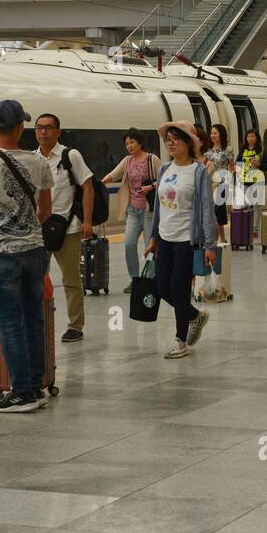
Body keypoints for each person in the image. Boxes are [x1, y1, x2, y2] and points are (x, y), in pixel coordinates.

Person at [0, 100, 55, 413]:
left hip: (2, 253)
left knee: (9, 323)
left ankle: (21, 392)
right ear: (21, 127)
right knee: (33, 318)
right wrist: (27, 228)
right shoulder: (39, 162)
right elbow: (45, 210)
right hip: (35, 251)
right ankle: (35, 384)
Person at [147, 121, 217, 359]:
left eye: (176, 138)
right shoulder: (165, 169)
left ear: (188, 143)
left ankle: (180, 339)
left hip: (187, 239)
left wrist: (210, 245)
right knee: (161, 286)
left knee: (178, 287)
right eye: (168, 139)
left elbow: (207, 209)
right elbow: (158, 206)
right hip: (165, 237)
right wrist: (154, 236)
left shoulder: (199, 172)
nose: (170, 143)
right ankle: (195, 316)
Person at [34, 113, 93, 344]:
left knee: (70, 280)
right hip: (39, 228)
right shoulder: (32, 158)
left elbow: (87, 186)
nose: (43, 132)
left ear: (58, 132)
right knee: (38, 278)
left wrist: (87, 221)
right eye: (39, 128)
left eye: (48, 128)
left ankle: (75, 325)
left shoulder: (70, 155)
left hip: (67, 228)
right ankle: (40, 319)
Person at [102, 129, 160, 293]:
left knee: (150, 246)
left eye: (132, 142)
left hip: (150, 210)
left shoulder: (151, 159)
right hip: (133, 210)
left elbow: (165, 178)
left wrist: (150, 187)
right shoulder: (127, 161)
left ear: (140, 142)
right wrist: (100, 183)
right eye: (127, 143)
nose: (129, 146)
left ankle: (149, 279)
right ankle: (135, 279)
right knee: (129, 243)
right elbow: (114, 175)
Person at [204, 123, 235, 240]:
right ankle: (221, 238)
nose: (212, 135)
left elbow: (232, 166)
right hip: (210, 184)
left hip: (222, 184)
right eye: (211, 133)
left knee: (218, 209)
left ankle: (218, 238)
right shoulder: (207, 151)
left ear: (221, 135)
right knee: (215, 211)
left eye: (215, 133)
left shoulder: (228, 150)